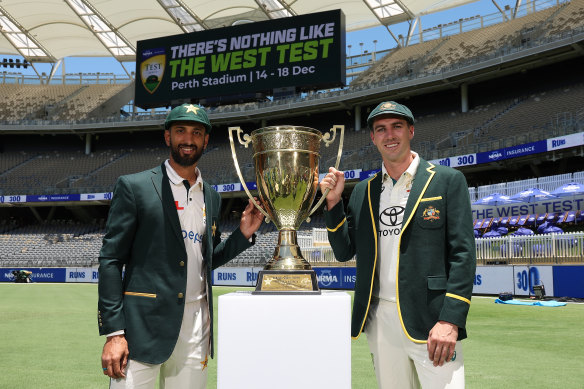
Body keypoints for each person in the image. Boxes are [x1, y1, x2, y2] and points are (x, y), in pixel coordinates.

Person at [98, 103, 263, 388]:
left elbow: (206, 258)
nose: (188, 139)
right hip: (142, 328)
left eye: (197, 132)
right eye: (180, 131)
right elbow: (110, 260)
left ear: (206, 140)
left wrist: (243, 233)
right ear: (167, 137)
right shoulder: (134, 186)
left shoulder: (211, 196)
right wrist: (115, 333)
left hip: (196, 327)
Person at [320, 101, 476, 388]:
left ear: (411, 131)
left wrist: (450, 321)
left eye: (397, 127)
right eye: (381, 129)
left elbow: (463, 255)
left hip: (433, 322)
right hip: (380, 322)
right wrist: (332, 204)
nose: (389, 135)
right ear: (373, 138)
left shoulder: (447, 181)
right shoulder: (363, 191)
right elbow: (343, 252)